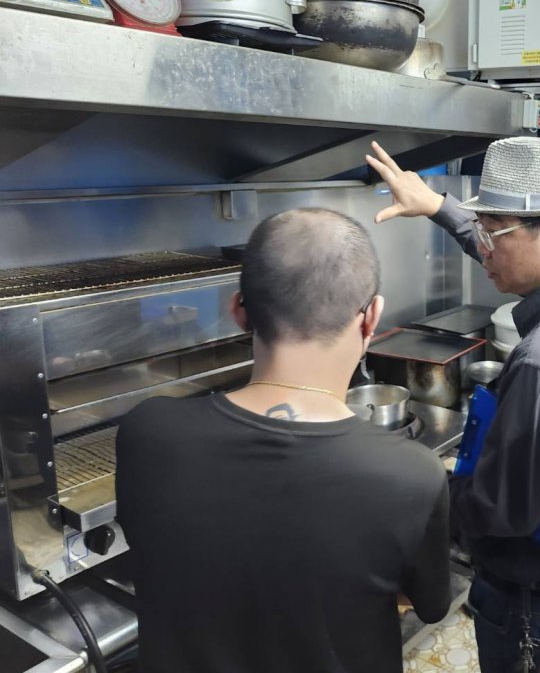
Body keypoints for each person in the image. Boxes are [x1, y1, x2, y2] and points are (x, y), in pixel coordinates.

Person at [116, 208, 451, 673]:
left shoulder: (146, 432)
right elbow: (429, 603)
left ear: (238, 311)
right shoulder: (410, 475)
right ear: (371, 317)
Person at [366, 137, 540, 671]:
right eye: (485, 231)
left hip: (529, 600)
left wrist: (413, 486)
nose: (484, 249)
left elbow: (502, 513)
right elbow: (508, 250)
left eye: (494, 233)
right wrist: (439, 207)